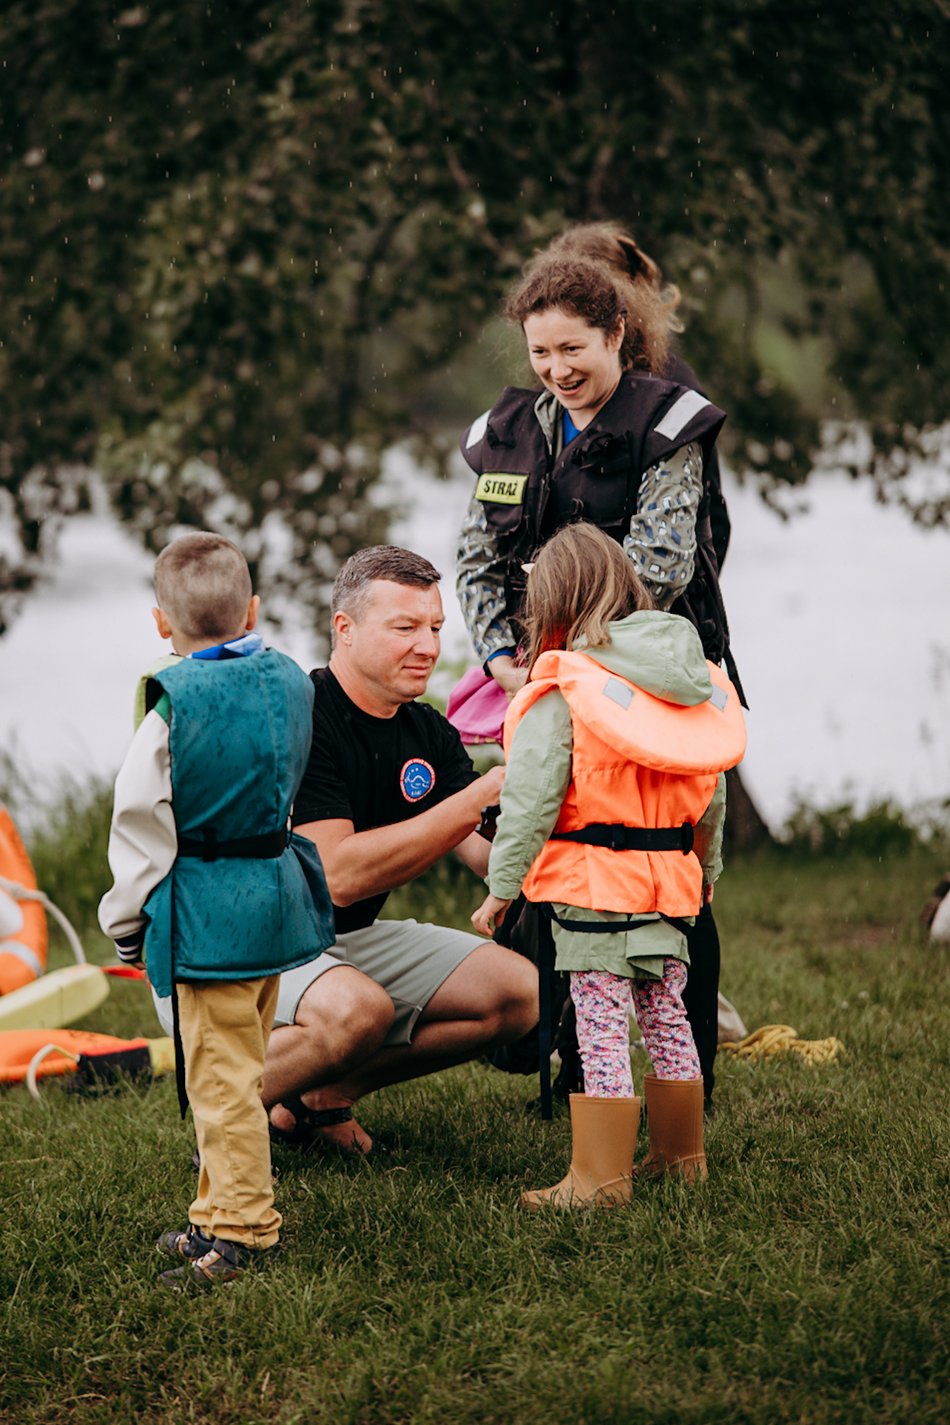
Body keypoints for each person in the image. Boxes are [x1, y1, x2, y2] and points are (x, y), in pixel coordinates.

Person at [455, 239, 733, 1107]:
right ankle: (571, 1071)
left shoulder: (666, 424)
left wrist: (573, 666)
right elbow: (474, 560)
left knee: (668, 874)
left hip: (647, 682)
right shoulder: (509, 431)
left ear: (617, 332)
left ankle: (689, 1080)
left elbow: (658, 563)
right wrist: (507, 658)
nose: (557, 367)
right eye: (541, 352)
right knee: (558, 872)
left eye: (574, 347)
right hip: (535, 682)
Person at [148, 545, 538, 1158]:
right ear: (345, 629)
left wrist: (553, 797)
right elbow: (337, 875)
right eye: (405, 627)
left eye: (435, 627)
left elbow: (486, 855)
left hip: (339, 943)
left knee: (521, 993)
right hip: (242, 950)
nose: (428, 646)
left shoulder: (428, 731)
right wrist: (473, 798)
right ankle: (227, 1111)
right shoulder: (300, 716)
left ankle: (317, 1099)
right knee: (361, 1010)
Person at [471, 524, 745, 1209]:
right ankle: (681, 1157)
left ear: (554, 604)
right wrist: (705, 869)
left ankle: (598, 1177)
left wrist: (502, 888)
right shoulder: (687, 680)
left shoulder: (566, 684)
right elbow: (713, 788)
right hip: (670, 885)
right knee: (666, 1012)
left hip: (595, 887)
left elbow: (529, 799)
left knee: (598, 1023)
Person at [98, 532, 335, 1289]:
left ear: (162, 623)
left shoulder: (171, 710)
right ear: (253, 609)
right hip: (274, 896)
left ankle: (243, 1232)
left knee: (223, 1080)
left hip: (208, 915)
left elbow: (140, 826)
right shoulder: (295, 681)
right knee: (236, 1061)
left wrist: (125, 924)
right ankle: (211, 1209)